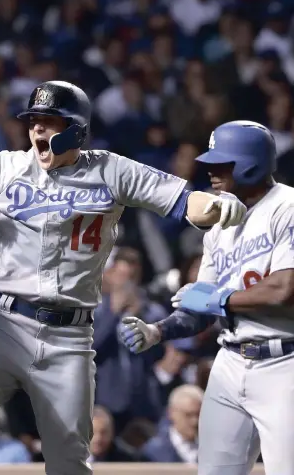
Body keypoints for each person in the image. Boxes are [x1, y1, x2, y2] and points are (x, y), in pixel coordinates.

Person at [0, 81, 247, 475]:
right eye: (34, 121)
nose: (37, 130)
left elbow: (180, 200)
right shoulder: (5, 166)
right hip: (2, 325)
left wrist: (216, 205)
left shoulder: (110, 168)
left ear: (76, 129)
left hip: (68, 337)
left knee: (69, 462)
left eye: (49, 121)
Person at [120, 120, 294, 475]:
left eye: (222, 163)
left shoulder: (287, 206)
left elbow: (283, 288)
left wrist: (219, 299)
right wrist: (159, 331)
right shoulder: (219, 225)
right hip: (230, 360)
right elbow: (199, 307)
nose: (211, 171)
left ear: (251, 163)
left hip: (284, 362)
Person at [140, 384, 202, 463]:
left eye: (199, 415)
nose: (195, 421)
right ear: (171, 413)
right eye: (188, 415)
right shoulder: (153, 453)